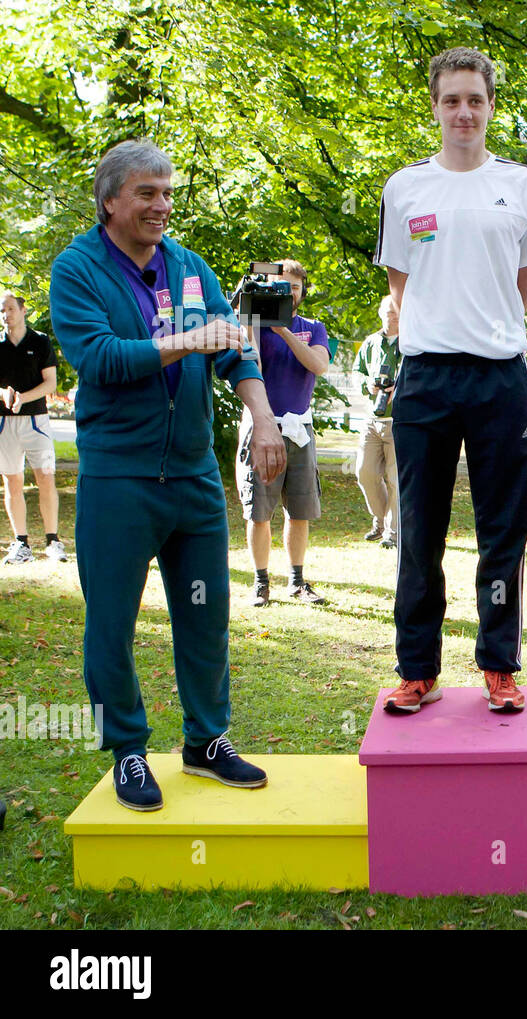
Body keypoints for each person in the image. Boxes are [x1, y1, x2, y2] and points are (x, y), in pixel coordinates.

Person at [49, 139, 286, 811]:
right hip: (120, 480)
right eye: (148, 193)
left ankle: (207, 743)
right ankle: (127, 749)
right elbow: (100, 359)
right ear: (111, 201)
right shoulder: (76, 270)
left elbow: (236, 346)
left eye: (168, 192)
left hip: (192, 479)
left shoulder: (187, 265)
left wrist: (264, 416)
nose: (162, 205)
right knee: (112, 626)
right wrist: (191, 339)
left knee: (206, 616)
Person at [372, 46, 527, 714]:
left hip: (501, 378)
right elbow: (402, 285)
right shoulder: (404, 188)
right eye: (451, 99)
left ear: (491, 105)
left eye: (475, 99)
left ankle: (499, 665)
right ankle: (417, 667)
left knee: (502, 529)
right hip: (425, 377)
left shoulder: (525, 186)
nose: (464, 112)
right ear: (435, 106)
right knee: (419, 530)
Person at [237, 259, 331, 607]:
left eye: (293, 287)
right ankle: (261, 583)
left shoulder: (313, 327)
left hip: (299, 430)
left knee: (300, 509)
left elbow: (319, 365)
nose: (288, 293)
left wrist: (284, 331)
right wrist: (252, 326)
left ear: (302, 291)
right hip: (263, 427)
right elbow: (252, 368)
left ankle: (297, 580)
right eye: (280, 287)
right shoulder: (253, 327)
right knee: (259, 510)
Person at [0, 292, 64, 564]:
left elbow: (51, 383)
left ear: (23, 310)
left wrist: (23, 398)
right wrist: (4, 394)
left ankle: (53, 541)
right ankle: (21, 544)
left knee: (45, 477)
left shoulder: (40, 342)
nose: (6, 315)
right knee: (12, 481)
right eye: (2, 310)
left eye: (11, 309)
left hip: (36, 422)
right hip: (4, 423)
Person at [354, 295, 402, 549]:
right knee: (365, 472)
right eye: (386, 312)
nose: (390, 317)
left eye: (394, 313)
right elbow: (357, 371)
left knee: (395, 478)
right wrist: (368, 384)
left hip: (399, 419)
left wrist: (399, 388)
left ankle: (392, 531)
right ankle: (380, 519)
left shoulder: (410, 343)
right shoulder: (371, 342)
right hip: (372, 418)